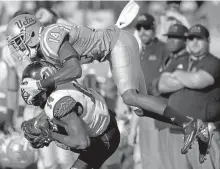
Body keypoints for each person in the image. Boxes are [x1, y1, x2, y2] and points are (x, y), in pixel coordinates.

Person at [6, 13, 208, 154]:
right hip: (114, 46)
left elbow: (76, 70)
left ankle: (188, 124)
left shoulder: (49, 38)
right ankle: (194, 125)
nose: (18, 48)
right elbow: (71, 78)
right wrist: (44, 115)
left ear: (31, 33)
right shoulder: (46, 47)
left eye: (19, 40)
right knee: (139, 108)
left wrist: (42, 84)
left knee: (129, 97)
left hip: (117, 44)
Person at [21, 60, 120, 169]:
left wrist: (50, 135)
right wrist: (38, 120)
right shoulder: (61, 82)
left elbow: (82, 143)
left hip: (103, 138)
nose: (27, 91)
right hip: (102, 123)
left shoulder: (60, 102)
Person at [156, 24, 220, 168]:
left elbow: (200, 81)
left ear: (208, 40)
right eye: (191, 38)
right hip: (176, 133)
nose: (195, 42)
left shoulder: (213, 62)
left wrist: (177, 75)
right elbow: (162, 85)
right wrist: (188, 79)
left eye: (199, 38)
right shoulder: (178, 61)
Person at [130, 13, 169, 169]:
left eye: (146, 27)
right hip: (142, 113)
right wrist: (133, 128)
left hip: (160, 113)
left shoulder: (163, 49)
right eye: (139, 28)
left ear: (154, 29)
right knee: (145, 160)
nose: (142, 31)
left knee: (159, 160)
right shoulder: (139, 53)